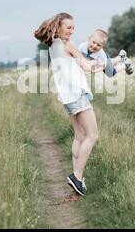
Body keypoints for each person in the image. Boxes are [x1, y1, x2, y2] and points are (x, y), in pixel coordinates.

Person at [34, 12, 99, 196]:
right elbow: (87, 67)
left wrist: (91, 64)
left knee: (79, 136)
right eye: (68, 27)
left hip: (68, 97)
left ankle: (77, 182)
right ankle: (77, 176)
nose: (71, 31)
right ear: (59, 27)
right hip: (77, 95)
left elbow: (79, 67)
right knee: (92, 135)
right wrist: (110, 65)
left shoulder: (53, 46)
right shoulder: (66, 44)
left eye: (73, 28)